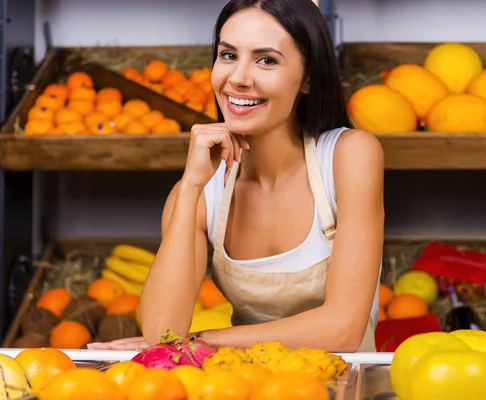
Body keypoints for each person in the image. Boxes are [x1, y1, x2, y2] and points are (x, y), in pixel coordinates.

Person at [88, 0, 384, 353]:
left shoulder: (349, 156)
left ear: (307, 78)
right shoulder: (203, 191)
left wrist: (202, 341)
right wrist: (192, 186)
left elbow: (343, 329)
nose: (239, 78)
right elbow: (161, 331)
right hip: (241, 385)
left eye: (266, 60)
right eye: (228, 55)